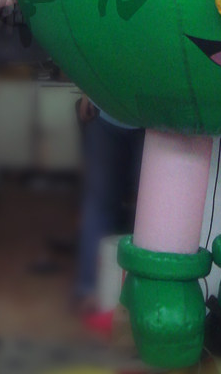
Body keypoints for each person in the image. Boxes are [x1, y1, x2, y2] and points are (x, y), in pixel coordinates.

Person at [75, 95, 145, 314]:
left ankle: (92, 291)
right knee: (104, 206)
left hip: (136, 117)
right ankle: (92, 290)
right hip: (123, 115)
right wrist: (88, 91)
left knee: (103, 206)